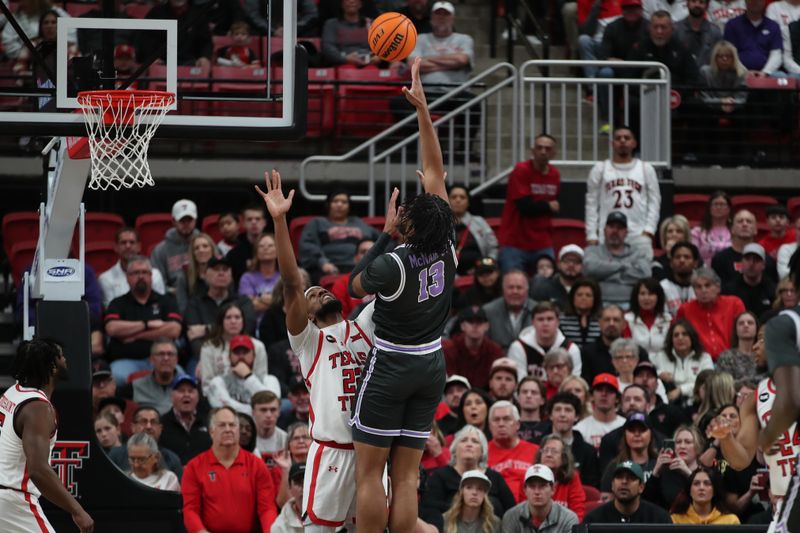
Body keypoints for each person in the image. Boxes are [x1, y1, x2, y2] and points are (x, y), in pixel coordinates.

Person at [256, 166, 377, 531]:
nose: (319, 292)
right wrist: (280, 222)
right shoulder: (307, 341)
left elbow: (388, 284)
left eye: (323, 289)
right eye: (313, 295)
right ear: (303, 314)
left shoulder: (363, 325)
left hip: (371, 451)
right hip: (332, 452)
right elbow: (293, 283)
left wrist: (388, 236)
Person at [0, 339, 94, 532]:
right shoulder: (38, 409)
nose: (66, 360)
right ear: (52, 367)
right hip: (12, 500)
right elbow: (38, 470)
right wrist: (77, 511)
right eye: (61, 356)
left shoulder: (12, 393)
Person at [182, 406, 278, 532]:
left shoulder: (257, 465)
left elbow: (267, 508)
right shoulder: (194, 467)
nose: (228, 430)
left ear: (238, 430)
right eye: (222, 425)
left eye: (232, 425)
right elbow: (190, 510)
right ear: (211, 431)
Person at [585, 127, 661, 260]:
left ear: (634, 143)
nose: (622, 141)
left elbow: (655, 201)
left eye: (627, 138)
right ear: (612, 143)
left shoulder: (645, 168)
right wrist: (591, 234)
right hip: (608, 234)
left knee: (641, 275)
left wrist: (649, 230)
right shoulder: (600, 169)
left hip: (638, 234)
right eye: (618, 138)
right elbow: (591, 204)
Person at [104, 256, 182, 384]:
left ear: (151, 276)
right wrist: (147, 324)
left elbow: (174, 329)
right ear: (127, 278)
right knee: (116, 377)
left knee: (180, 377)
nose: (141, 276)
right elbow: (112, 328)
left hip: (163, 359)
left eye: (144, 272)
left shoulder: (166, 301)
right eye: (136, 273)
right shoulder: (117, 303)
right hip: (126, 361)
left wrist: (136, 335)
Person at [422, 425, 517, 519]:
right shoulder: (440, 476)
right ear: (454, 450)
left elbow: (512, 511)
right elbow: (429, 508)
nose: (469, 444)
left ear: (482, 452)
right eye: (464, 440)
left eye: (475, 441)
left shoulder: (495, 478)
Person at [498, 134, 560, 274]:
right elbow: (525, 207)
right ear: (532, 151)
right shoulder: (521, 170)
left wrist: (546, 206)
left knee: (547, 282)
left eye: (548, 149)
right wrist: (548, 206)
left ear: (554, 153)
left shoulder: (555, 174)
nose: (543, 152)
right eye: (539, 148)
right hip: (515, 241)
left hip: (542, 240)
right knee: (513, 285)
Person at [298, 189, 382, 282]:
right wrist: (323, 263)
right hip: (327, 268)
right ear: (328, 204)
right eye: (335, 201)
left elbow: (382, 240)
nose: (339, 205)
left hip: (358, 267)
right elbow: (308, 245)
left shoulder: (359, 223)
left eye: (344, 202)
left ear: (349, 206)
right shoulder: (317, 223)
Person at [185, 256, 257, 357]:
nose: (221, 273)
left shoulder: (243, 301)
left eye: (225, 269)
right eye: (216, 269)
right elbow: (193, 337)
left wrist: (207, 329)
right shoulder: (195, 303)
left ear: (231, 275)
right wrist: (206, 358)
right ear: (205, 274)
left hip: (240, 353)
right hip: (204, 356)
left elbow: (247, 328)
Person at [584, 211, 652, 307]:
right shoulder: (592, 251)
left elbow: (645, 275)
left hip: (631, 304)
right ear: (604, 230)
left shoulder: (638, 253)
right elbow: (589, 270)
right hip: (598, 303)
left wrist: (605, 275)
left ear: (626, 233)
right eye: (611, 227)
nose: (615, 231)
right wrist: (624, 266)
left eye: (619, 228)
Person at [675, 267, 746, 360]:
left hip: (732, 359)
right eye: (698, 287)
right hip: (698, 361)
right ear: (694, 291)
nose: (703, 290)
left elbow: (745, 334)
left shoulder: (734, 304)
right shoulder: (685, 310)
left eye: (707, 285)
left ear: (718, 287)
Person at [198, 302, 268, 394]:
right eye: (228, 317)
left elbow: (262, 378)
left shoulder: (258, 346)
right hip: (220, 397)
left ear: (243, 321)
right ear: (221, 321)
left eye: (237, 317)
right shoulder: (209, 347)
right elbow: (207, 385)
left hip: (252, 395)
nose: (233, 321)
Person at [534, 392, 601, 488]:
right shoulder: (535, 445)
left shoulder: (588, 452)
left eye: (568, 410)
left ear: (576, 416)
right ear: (550, 415)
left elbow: (590, 487)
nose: (562, 414)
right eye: (557, 409)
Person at [206, 334, 281, 415]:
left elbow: (272, 403)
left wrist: (248, 376)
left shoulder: (269, 380)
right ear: (229, 357)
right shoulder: (217, 382)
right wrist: (256, 411)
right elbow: (223, 408)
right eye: (236, 352)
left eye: (245, 352)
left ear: (254, 356)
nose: (241, 356)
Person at [508, 302, 582, 381]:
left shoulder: (571, 349)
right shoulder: (519, 347)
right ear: (533, 322)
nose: (545, 324)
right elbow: (519, 382)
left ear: (558, 322)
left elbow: (574, 382)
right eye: (540, 319)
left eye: (549, 319)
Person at [626, 10, 702, 87]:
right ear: (649, 28)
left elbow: (693, 78)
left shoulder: (681, 48)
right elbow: (629, 78)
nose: (659, 31)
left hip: (676, 94)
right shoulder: (639, 48)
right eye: (655, 27)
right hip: (643, 95)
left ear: (672, 29)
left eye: (663, 27)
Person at [583, 461, 673, 523]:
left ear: (641, 487)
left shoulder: (659, 518)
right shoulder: (594, 519)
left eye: (631, 478)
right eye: (619, 477)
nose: (624, 481)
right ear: (612, 486)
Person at [108, 406, 184, 479]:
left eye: (153, 422)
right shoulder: (116, 455)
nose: (148, 426)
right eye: (143, 421)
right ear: (133, 427)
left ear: (160, 429)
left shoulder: (172, 458)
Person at [651, 319, 714, 406]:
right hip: (669, 404)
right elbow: (648, 373)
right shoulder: (661, 356)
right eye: (676, 335)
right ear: (671, 339)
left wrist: (681, 390)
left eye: (685, 334)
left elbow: (708, 382)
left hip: (697, 402)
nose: (680, 338)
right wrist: (659, 374)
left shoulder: (704, 358)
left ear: (692, 337)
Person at [580, 304, 649, 383]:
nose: (611, 323)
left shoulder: (638, 352)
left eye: (616, 320)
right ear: (599, 323)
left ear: (624, 324)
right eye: (607, 320)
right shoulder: (587, 352)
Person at [99, 227, 166, 306]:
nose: (128, 246)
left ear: (139, 246)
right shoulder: (106, 279)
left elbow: (160, 305)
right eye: (123, 242)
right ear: (116, 247)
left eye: (132, 242)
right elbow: (110, 310)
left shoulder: (154, 274)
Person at [501, 464, 579, 533]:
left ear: (553, 489)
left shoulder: (568, 519)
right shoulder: (511, 517)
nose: (537, 492)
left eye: (542, 486)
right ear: (525, 490)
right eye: (532, 486)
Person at [486, 401, 540, 501]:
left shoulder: (536, 451)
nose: (501, 424)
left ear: (518, 424)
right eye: (496, 420)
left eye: (506, 419)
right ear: (489, 426)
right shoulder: (482, 453)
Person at [645, 425, 706, 510]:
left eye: (688, 442)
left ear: (698, 447)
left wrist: (688, 473)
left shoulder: (706, 473)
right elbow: (646, 502)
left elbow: (707, 499)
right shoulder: (666, 473)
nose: (682, 446)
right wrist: (656, 472)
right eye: (678, 442)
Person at [443, 306, 503, 391]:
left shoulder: (495, 350)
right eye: (470, 322)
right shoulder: (449, 349)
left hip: (486, 397)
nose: (475, 326)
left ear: (487, 326)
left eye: (479, 322)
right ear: (462, 326)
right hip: (456, 394)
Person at [712, 209, 779, 284]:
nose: (744, 224)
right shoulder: (719, 259)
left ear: (755, 230)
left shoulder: (766, 260)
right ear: (732, 229)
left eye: (749, 222)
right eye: (740, 221)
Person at [599, 412, 659, 494]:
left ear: (651, 434)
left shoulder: (659, 465)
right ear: (625, 434)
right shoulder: (614, 466)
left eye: (642, 430)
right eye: (632, 430)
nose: (637, 434)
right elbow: (606, 498)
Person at [159, 374, 212, 464]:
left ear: (198, 396)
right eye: (181, 391)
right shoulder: (161, 423)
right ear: (172, 396)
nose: (186, 394)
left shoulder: (209, 421)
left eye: (191, 391)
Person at [150, 199, 200, 290]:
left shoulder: (205, 246)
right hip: (172, 296)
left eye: (189, 220)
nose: (186, 224)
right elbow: (156, 283)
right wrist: (170, 291)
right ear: (173, 221)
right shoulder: (160, 250)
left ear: (195, 220)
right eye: (182, 220)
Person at [724, 0, 783, 75]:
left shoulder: (773, 26)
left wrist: (765, 72)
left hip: (767, 73)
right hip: (738, 72)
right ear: (745, 1)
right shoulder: (732, 25)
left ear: (764, 1)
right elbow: (730, 54)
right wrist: (745, 72)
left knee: (780, 75)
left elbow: (776, 54)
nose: (755, 2)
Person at [534, 435, 586, 521]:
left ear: (564, 457)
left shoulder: (573, 478)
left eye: (554, 451)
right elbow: (524, 511)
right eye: (545, 450)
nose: (549, 455)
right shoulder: (530, 476)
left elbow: (578, 511)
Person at [449, 185, 498, 275]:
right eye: (454, 197)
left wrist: (485, 266)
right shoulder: (441, 223)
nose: (458, 200)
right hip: (447, 272)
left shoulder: (479, 222)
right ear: (447, 201)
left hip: (480, 272)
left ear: (468, 202)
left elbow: (493, 248)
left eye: (462, 197)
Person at [482, 270, 536, 351]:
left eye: (519, 287)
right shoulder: (488, 311)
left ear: (527, 290)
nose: (515, 291)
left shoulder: (539, 310)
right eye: (510, 287)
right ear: (503, 289)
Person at [722, 243, 776, 317]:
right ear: (741, 262)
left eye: (756, 260)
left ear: (763, 265)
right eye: (747, 259)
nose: (751, 264)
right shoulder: (729, 291)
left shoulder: (772, 290)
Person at [670, 467, 740, 524]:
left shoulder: (731, 521)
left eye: (707, 483)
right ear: (689, 491)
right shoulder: (675, 520)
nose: (701, 488)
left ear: (714, 491)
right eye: (696, 483)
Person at [321, 0, 380, 66]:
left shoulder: (371, 24)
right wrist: (344, 58)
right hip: (341, 64)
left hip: (369, 63)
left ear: (360, 4)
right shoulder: (331, 24)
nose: (351, 1)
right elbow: (328, 47)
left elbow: (382, 45)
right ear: (342, 4)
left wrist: (378, 57)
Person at [574, 373, 625, 450]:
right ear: (591, 396)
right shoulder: (580, 429)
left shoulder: (625, 425)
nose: (604, 394)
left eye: (609, 391)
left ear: (617, 398)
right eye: (599, 390)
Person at [625, 278, 671, 360]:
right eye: (642, 294)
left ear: (658, 296)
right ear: (636, 296)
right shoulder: (627, 320)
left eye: (651, 294)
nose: (646, 298)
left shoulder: (668, 320)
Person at [131, 338, 182, 414]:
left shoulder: (190, 387)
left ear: (176, 359)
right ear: (151, 359)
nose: (166, 358)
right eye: (161, 354)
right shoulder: (135, 386)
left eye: (170, 354)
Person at [329, 238, 376, 319]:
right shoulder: (342, 284)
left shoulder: (390, 280)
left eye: (372, 251)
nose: (368, 255)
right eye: (363, 252)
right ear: (355, 258)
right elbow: (340, 321)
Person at [174, 233, 218, 314]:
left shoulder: (223, 273)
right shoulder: (183, 278)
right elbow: (183, 309)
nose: (201, 250)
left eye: (205, 246)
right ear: (193, 253)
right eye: (196, 248)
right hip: (195, 321)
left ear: (212, 250)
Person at [531, 244, 584, 310]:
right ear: (558, 264)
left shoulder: (587, 288)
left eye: (576, 261)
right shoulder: (544, 288)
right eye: (567, 261)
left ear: (582, 267)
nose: (571, 265)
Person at [225, 204, 269, 283]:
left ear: (264, 222)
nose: (254, 222)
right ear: (243, 223)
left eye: (258, 219)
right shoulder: (234, 254)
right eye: (249, 219)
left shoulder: (276, 250)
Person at [675, 0, 724, 67]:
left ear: (707, 6)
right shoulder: (675, 29)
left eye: (701, 2)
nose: (697, 5)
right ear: (687, 4)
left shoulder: (715, 32)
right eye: (693, 1)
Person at [691, 191, 732, 267]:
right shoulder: (697, 232)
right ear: (709, 208)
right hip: (704, 273)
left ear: (729, 209)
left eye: (722, 204)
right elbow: (693, 256)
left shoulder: (735, 232)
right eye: (715, 204)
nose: (719, 207)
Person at [558, 278, 603, 348]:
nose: (583, 298)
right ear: (573, 297)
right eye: (579, 295)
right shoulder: (561, 319)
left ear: (595, 299)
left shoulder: (602, 319)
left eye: (588, 295)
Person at [660, 241, 700, 316]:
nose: (682, 260)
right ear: (671, 263)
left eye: (687, 257)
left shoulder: (702, 286)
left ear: (695, 263)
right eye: (677, 257)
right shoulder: (662, 287)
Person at [716, 311, 759, 380]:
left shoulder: (763, 357)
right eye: (741, 323)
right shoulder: (726, 357)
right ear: (736, 329)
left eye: (750, 323)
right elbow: (723, 384)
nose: (746, 325)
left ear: (757, 328)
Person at [251, 391, 287, 457]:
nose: (268, 415)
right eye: (263, 410)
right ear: (253, 412)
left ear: (279, 412)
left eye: (273, 410)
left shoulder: (286, 439)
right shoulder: (245, 440)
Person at [271, 463, 306, 533]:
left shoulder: (329, 515)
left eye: (308, 481)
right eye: (298, 483)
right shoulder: (279, 526)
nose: (304, 487)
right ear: (290, 487)